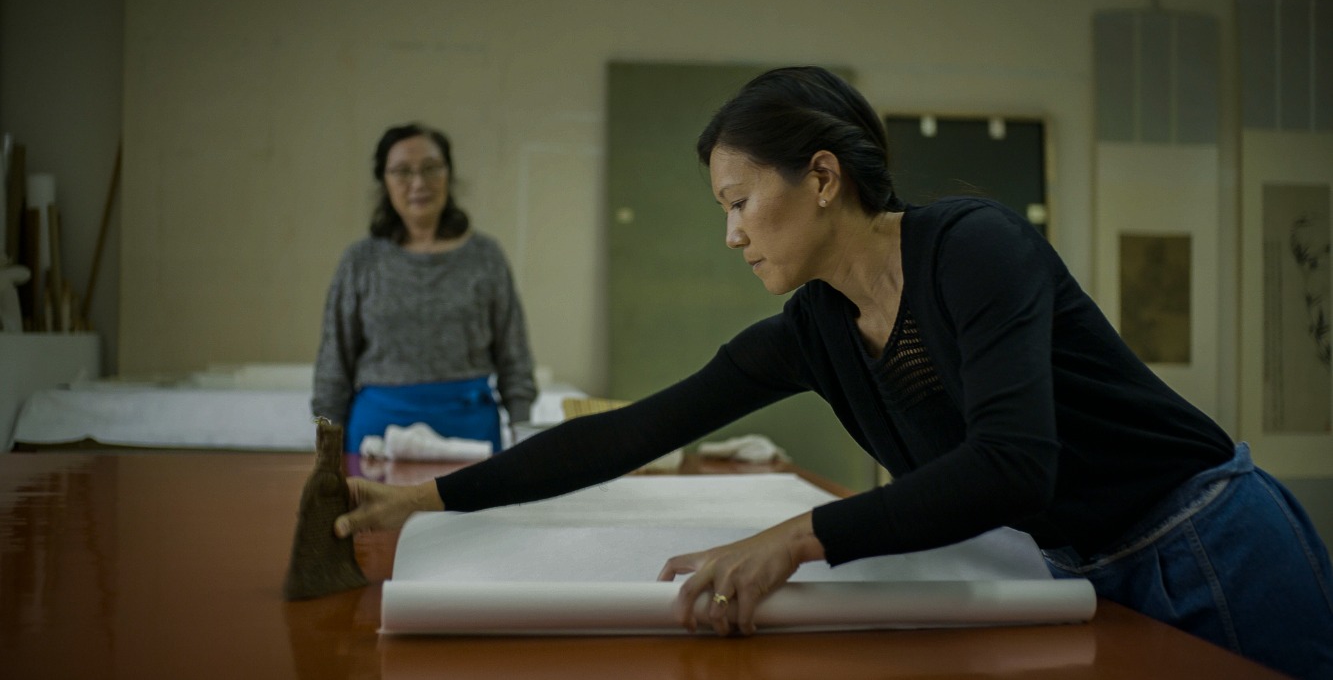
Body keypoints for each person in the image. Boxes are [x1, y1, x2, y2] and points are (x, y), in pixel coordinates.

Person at [332, 70, 1332, 678]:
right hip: (1080, 575)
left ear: (820, 177)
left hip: (1205, 542)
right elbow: (634, 430)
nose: (728, 234)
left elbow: (1014, 463)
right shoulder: (814, 330)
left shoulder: (975, 250)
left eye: (738, 202)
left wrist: (796, 538)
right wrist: (426, 501)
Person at [312, 123, 537, 454]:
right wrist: (326, 448)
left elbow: (515, 359)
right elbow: (333, 367)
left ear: (448, 174)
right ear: (384, 181)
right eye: (402, 172)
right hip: (377, 437)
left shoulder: (485, 257)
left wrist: (522, 440)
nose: (418, 183)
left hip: (469, 434)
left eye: (431, 169)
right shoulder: (361, 261)